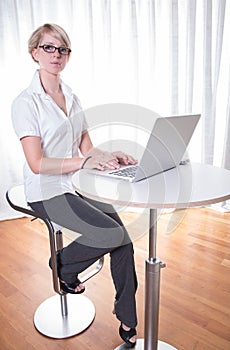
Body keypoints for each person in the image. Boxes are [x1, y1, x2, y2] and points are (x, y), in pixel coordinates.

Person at [11, 23, 138, 347]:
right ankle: (63, 265)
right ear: (34, 51)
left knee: (122, 240)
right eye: (49, 47)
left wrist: (112, 155)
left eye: (63, 49)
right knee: (111, 235)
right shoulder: (26, 102)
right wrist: (84, 162)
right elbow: (37, 163)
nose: (57, 54)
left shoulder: (72, 96)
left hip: (75, 183)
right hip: (46, 190)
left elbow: (87, 149)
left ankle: (127, 316)